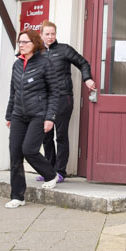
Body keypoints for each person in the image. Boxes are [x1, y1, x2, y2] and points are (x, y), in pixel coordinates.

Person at [4, 28, 60, 208]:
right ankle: (17, 196)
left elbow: (54, 92)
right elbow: (13, 92)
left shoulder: (45, 63)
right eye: (20, 42)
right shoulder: (17, 65)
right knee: (15, 154)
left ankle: (51, 174)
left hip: (39, 114)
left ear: (34, 43)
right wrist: (9, 114)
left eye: (25, 42)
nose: (21, 45)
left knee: (29, 149)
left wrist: (50, 117)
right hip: (18, 115)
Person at [37, 20, 97, 182]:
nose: (50, 37)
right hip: (44, 101)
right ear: (41, 35)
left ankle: (60, 171)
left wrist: (87, 79)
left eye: (53, 34)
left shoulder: (64, 50)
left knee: (61, 135)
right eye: (47, 34)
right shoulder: (38, 52)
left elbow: (83, 62)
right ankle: (49, 171)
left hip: (63, 98)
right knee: (45, 135)